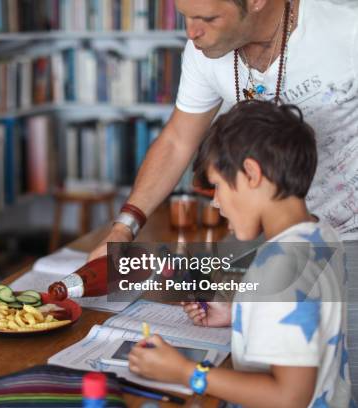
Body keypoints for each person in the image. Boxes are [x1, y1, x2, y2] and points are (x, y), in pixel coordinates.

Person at [90, 0, 358, 395]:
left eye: (207, 18)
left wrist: (187, 375)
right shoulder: (314, 245)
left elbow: (288, 397)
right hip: (293, 233)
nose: (191, 32)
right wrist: (124, 226)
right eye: (186, 16)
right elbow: (180, 138)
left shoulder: (345, 30)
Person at [129, 100, 351, 407]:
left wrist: (184, 371)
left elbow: (289, 397)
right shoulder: (320, 235)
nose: (217, 204)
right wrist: (241, 313)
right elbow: (308, 314)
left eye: (218, 186)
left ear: (251, 173)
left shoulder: (279, 267)